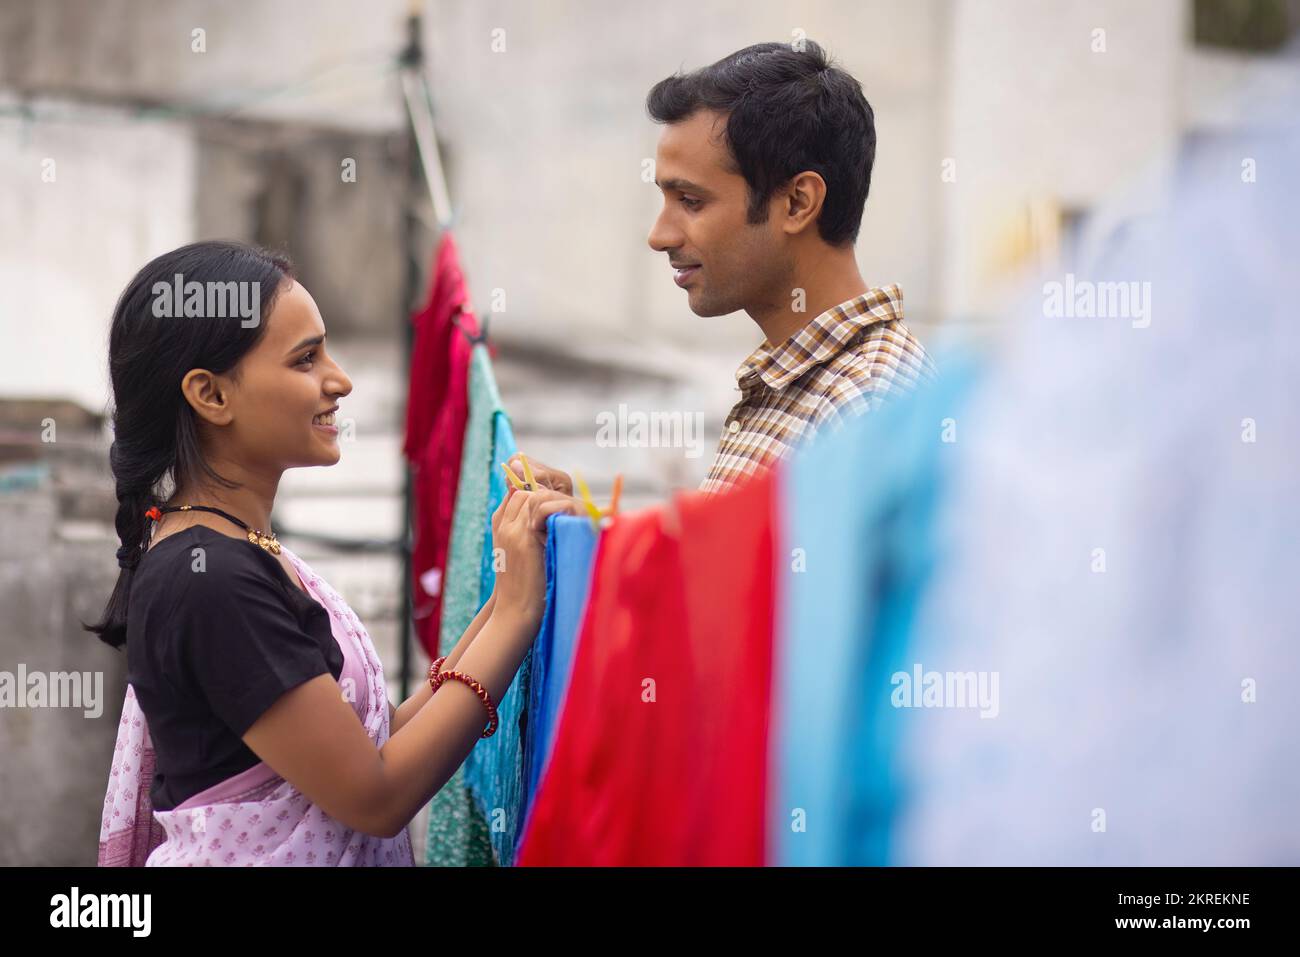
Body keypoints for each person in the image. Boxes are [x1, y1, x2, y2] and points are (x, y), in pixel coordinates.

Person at [87, 240, 576, 865]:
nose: (338, 380)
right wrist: (512, 616)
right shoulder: (208, 579)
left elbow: (377, 745)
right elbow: (375, 794)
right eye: (305, 360)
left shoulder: (237, 553)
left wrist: (514, 573)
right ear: (211, 396)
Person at [646, 41, 938, 493]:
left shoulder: (865, 405)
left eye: (691, 201)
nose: (660, 235)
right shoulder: (791, 375)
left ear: (798, 203)